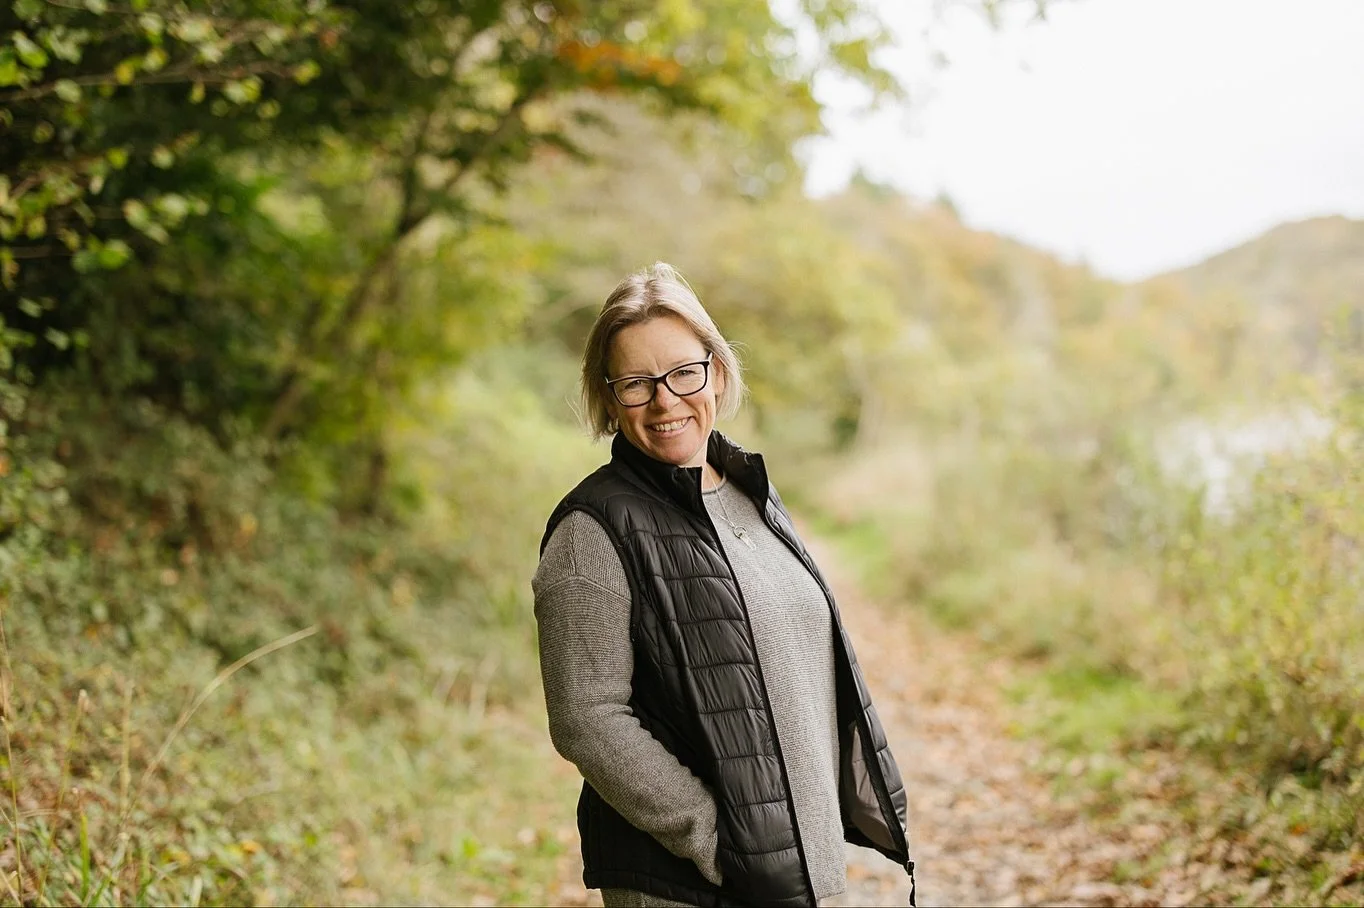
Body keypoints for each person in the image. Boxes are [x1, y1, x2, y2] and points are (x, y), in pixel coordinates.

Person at [533, 262, 915, 908]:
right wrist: (717, 839)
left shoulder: (748, 490)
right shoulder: (590, 531)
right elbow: (586, 718)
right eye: (636, 383)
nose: (665, 400)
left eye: (684, 371)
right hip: (691, 885)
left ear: (715, 367)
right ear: (608, 394)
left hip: (797, 873)